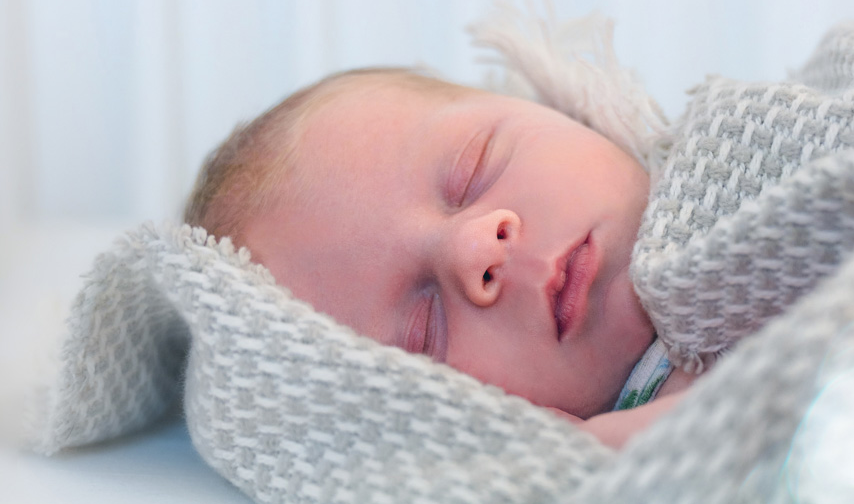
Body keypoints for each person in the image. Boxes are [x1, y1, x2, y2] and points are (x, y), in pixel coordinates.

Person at [184, 68, 698, 450]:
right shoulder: (628, 446)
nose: (475, 250)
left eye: (471, 169)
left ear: (549, 108)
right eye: (424, 333)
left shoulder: (729, 155)